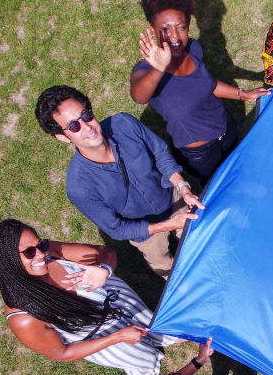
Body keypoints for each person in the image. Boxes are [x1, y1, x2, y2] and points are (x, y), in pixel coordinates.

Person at [35, 85, 203, 279]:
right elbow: (117, 228)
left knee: (201, 244)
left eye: (86, 115)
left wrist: (183, 188)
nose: (88, 127)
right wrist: (166, 225)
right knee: (167, 268)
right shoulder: (79, 188)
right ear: (63, 137)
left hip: (174, 199)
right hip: (145, 233)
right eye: (74, 126)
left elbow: (160, 154)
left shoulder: (124, 124)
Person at [0, 218, 183, 375]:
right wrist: (118, 337)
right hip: (108, 340)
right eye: (29, 252)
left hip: (125, 304)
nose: (40, 254)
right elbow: (62, 353)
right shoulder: (23, 317)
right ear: (10, 260)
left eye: (40, 245)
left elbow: (104, 254)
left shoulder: (51, 252)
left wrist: (104, 270)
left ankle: (167, 337)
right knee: (148, 368)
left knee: (168, 331)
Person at [130, 0, 269, 181]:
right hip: (201, 155)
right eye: (165, 29)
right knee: (218, 184)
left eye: (181, 27)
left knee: (240, 170)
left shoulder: (193, 49)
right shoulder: (146, 72)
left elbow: (207, 83)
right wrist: (159, 68)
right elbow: (138, 96)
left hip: (226, 129)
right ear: (152, 29)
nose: (174, 36)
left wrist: (244, 94)